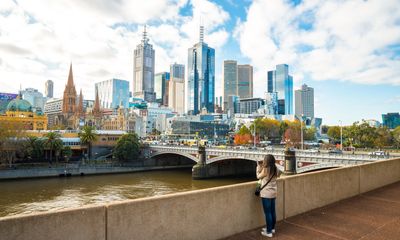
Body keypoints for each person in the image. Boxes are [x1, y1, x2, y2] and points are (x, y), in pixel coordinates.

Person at [256, 154, 280, 238]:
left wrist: (258, 168)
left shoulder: (266, 169)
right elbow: (278, 176)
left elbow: (258, 176)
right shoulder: (276, 169)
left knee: (268, 213)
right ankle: (272, 228)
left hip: (266, 193)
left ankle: (269, 232)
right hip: (273, 192)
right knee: (272, 211)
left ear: (266, 161)